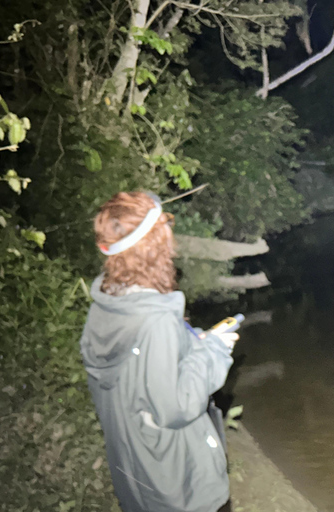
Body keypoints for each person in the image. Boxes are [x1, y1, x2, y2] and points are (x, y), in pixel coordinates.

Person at [79, 191, 237, 512]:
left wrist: (196, 343)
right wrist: (214, 352)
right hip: (179, 485)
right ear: (155, 243)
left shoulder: (108, 305)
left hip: (136, 474)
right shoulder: (156, 318)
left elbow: (139, 374)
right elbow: (175, 406)